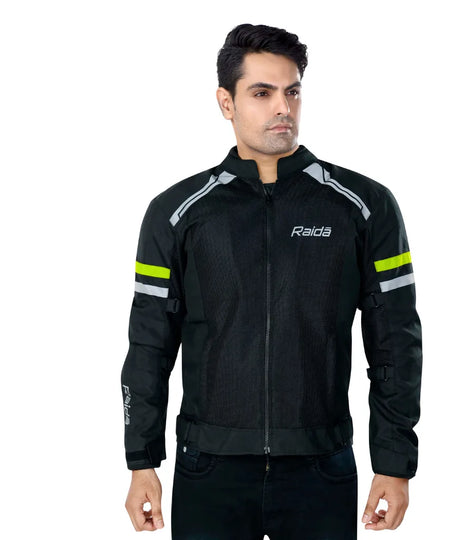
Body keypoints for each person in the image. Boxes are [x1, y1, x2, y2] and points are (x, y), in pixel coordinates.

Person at [121, 23, 422, 539]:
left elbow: (396, 343)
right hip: (208, 467)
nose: (283, 107)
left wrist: (394, 464)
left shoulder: (364, 206)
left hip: (321, 466)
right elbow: (149, 345)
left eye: (292, 91)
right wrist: (141, 460)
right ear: (226, 102)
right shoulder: (175, 212)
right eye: (262, 93)